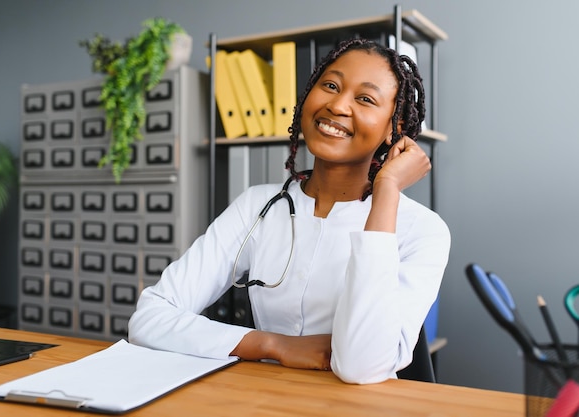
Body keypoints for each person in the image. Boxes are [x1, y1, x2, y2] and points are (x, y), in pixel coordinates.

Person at [128, 37, 451, 384]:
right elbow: (148, 318)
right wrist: (271, 344)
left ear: (395, 128)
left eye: (365, 99)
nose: (338, 105)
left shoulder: (423, 230)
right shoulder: (258, 205)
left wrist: (387, 191)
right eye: (330, 85)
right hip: (268, 400)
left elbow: (362, 367)